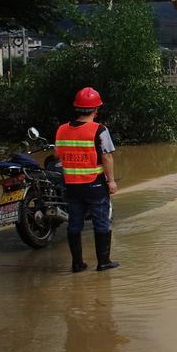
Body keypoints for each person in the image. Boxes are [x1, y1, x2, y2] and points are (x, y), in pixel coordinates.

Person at [55, 87, 119, 273]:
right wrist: (111, 181)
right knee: (101, 222)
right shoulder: (99, 129)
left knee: (74, 223)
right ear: (96, 109)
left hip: (72, 185)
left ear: (77, 108)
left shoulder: (61, 130)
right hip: (94, 184)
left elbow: (57, 155)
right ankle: (103, 262)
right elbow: (107, 157)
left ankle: (77, 264)